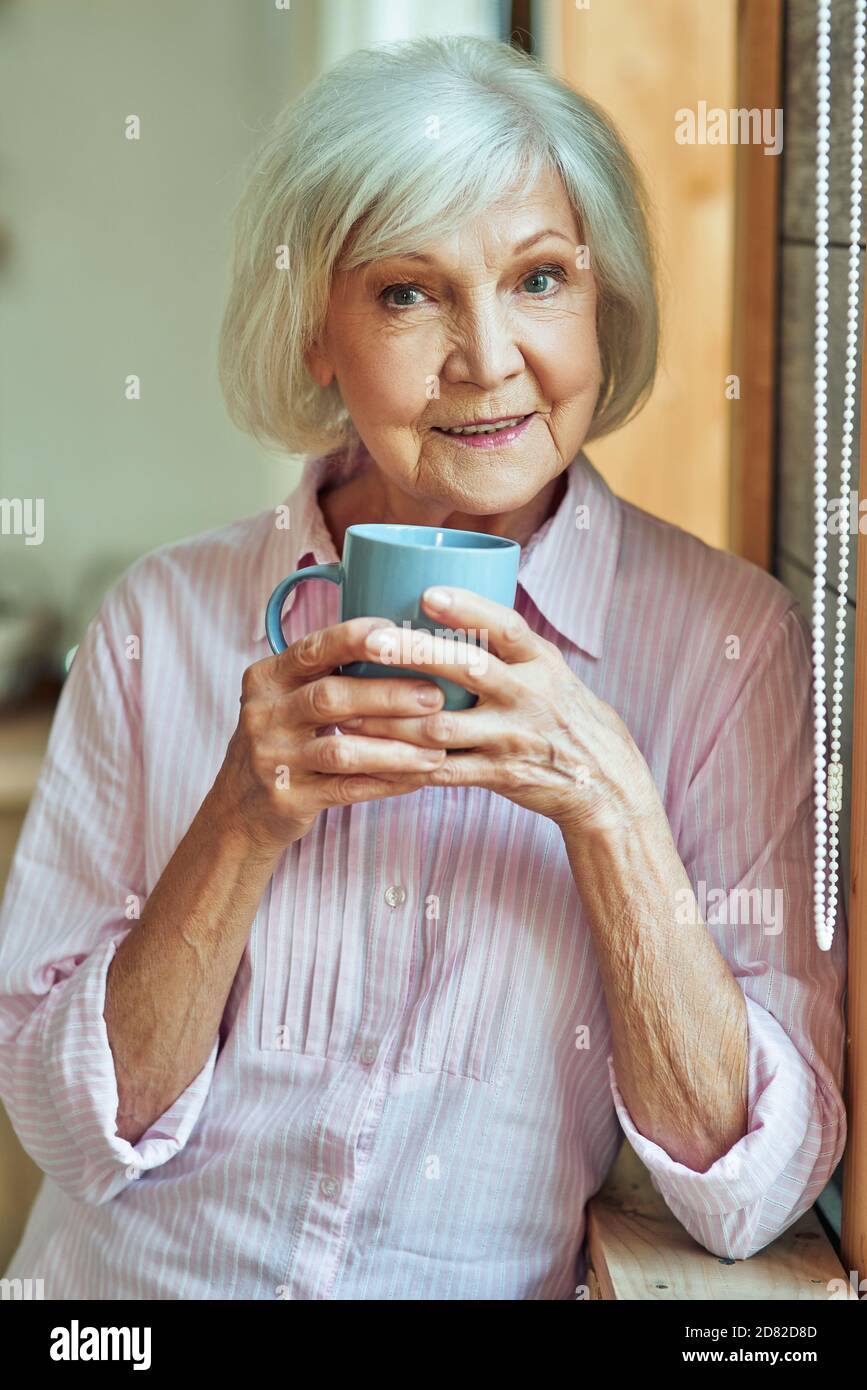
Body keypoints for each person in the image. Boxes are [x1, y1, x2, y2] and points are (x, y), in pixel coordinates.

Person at [0, 34, 846, 1300]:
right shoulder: (159, 616)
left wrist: (608, 801)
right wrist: (237, 822)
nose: (489, 357)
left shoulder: (729, 641)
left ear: (602, 304)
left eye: (540, 279)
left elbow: (749, 1187)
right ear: (315, 335)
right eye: (408, 292)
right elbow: (61, 1132)